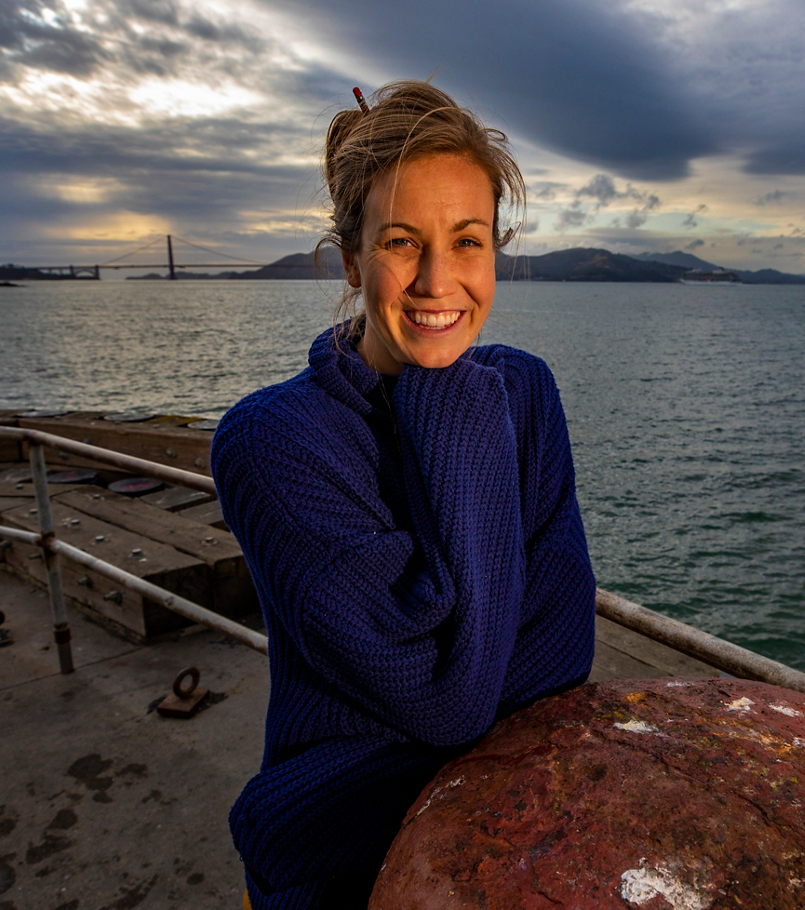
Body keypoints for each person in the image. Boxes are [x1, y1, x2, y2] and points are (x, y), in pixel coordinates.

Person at [211, 81, 597, 909]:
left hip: (484, 835)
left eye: (467, 242)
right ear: (350, 260)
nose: (436, 280)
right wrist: (446, 400)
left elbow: (564, 651)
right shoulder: (270, 443)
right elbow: (452, 700)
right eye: (400, 242)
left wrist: (456, 684)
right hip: (335, 866)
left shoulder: (525, 392)